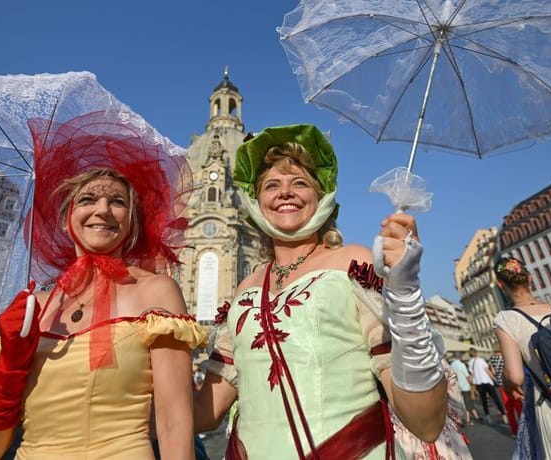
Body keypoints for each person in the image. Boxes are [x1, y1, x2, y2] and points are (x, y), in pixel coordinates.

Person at [193, 124, 454, 459]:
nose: (285, 192)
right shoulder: (247, 287)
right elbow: (205, 412)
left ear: (322, 196)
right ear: (256, 202)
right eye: (272, 185)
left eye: (299, 182)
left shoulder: (351, 262)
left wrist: (405, 295)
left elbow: (425, 422)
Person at [0, 111, 207, 460]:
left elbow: (173, 425)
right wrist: (9, 367)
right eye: (88, 199)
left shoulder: (156, 291)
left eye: (118, 202)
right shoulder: (35, 307)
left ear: (131, 223)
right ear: (65, 220)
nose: (102, 210)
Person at [493, 256, 551, 459]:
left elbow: (516, 376)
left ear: (501, 285)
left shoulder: (507, 319)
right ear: (530, 278)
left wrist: (508, 381)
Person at [488, 344, 521, 435]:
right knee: (518, 407)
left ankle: (514, 431)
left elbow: (492, 372)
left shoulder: (492, 359)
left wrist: (495, 378)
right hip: (511, 384)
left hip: (501, 385)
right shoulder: (508, 357)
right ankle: (523, 429)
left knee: (509, 409)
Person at [467, 348, 505, 423]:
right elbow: (487, 370)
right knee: (495, 398)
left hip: (478, 383)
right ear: (476, 353)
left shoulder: (470, 362)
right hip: (487, 381)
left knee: (484, 400)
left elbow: (472, 373)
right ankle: (503, 415)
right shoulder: (481, 360)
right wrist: (494, 378)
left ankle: (488, 417)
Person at [449, 352, 479, 425]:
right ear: (460, 357)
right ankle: (468, 419)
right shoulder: (461, 365)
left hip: (458, 386)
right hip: (465, 386)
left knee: (465, 401)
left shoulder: (452, 365)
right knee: (468, 402)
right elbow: (467, 376)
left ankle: (476, 416)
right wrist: (471, 382)